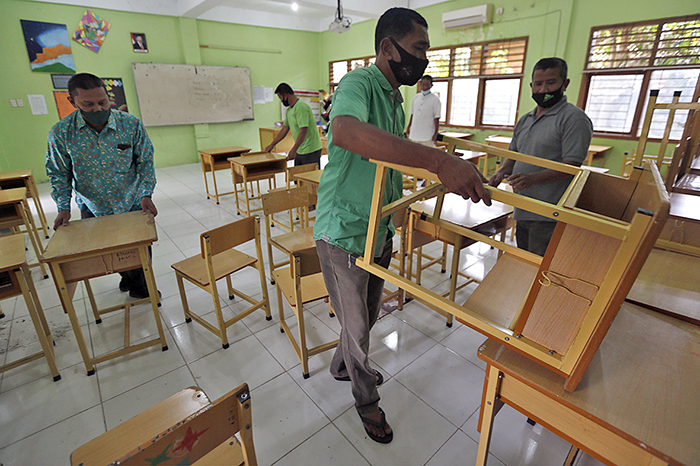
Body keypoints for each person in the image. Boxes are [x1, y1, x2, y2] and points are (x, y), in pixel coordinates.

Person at [313, 7, 490, 444]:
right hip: (344, 231)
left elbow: (393, 151)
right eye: (419, 49)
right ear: (388, 48)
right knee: (357, 328)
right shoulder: (359, 83)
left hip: (378, 226)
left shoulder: (395, 97)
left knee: (369, 314)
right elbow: (346, 132)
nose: (424, 59)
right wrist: (436, 160)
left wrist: (436, 168)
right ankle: (366, 401)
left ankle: (341, 365)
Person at [46, 72, 158, 299]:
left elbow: (145, 161)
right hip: (92, 204)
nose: (97, 109)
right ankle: (128, 278)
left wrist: (146, 193)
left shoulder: (130, 124)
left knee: (139, 248)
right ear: (72, 102)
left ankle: (140, 285)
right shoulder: (61, 133)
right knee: (110, 250)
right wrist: (63, 207)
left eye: (102, 102)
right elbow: (59, 172)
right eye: (88, 104)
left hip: (131, 201)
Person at [489, 57, 593, 256]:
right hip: (523, 207)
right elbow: (514, 154)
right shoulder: (525, 119)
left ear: (565, 84)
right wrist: (500, 172)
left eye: (551, 82)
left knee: (541, 263)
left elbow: (572, 164)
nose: (543, 90)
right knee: (525, 258)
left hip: (549, 212)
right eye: (538, 84)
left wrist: (532, 179)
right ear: (531, 86)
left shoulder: (573, 119)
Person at [264, 83, 323, 167]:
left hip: (311, 150)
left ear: (286, 95)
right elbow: (284, 129)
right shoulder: (289, 111)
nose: (281, 101)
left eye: (281, 98)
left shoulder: (301, 107)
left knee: (309, 178)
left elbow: (303, 130)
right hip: (300, 149)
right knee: (297, 178)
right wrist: (272, 145)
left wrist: (293, 150)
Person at [405, 75, 441, 146]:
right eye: (423, 84)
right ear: (420, 84)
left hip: (427, 135)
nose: (425, 86)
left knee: (427, 156)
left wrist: (435, 133)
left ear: (431, 85)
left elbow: (436, 118)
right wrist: (408, 127)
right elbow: (412, 114)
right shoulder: (416, 97)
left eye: (427, 84)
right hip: (414, 134)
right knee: (413, 155)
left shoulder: (435, 99)